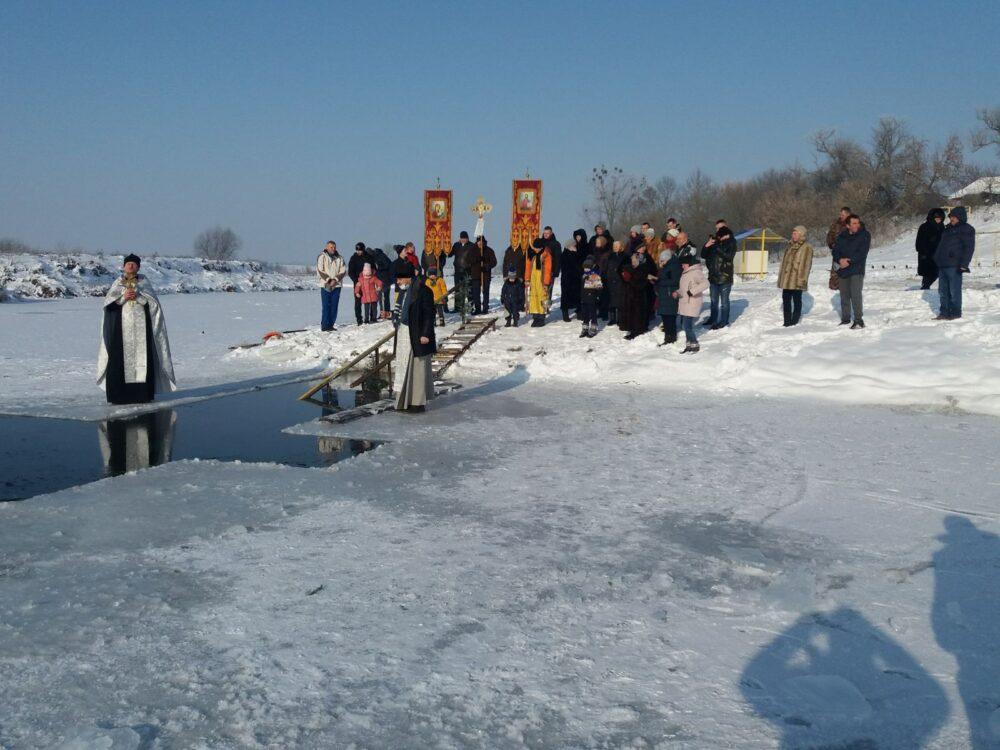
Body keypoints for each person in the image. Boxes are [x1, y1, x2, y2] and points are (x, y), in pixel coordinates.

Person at [97, 254, 177, 404]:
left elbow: (154, 305)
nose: (131, 266)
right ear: (124, 266)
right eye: (128, 264)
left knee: (143, 360)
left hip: (142, 330)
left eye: (134, 264)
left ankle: (141, 395)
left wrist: (139, 296)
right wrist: (123, 297)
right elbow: (109, 306)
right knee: (119, 360)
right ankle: (119, 396)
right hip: (121, 330)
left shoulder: (144, 283)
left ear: (138, 267)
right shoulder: (118, 283)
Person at [392, 263, 436, 414]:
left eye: (400, 279)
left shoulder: (424, 291)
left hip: (418, 335)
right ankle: (404, 401)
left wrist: (425, 334)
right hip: (404, 335)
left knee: (417, 369)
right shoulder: (403, 293)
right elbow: (401, 313)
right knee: (404, 368)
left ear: (408, 278)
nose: (397, 282)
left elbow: (429, 315)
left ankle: (417, 403)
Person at [934, 206, 975, 320]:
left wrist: (964, 264)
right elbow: (941, 245)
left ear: (960, 217)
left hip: (955, 265)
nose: (951, 218)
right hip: (943, 264)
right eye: (951, 216)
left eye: (954, 217)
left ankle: (955, 313)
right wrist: (936, 257)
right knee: (943, 291)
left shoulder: (966, 229)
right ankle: (944, 312)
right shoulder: (947, 229)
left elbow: (969, 248)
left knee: (954, 291)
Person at [833, 213, 870, 329]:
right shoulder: (842, 236)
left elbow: (862, 253)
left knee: (855, 295)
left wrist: (848, 261)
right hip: (843, 270)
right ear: (848, 226)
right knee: (844, 295)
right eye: (854, 223)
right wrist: (839, 260)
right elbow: (835, 251)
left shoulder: (864, 235)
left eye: (858, 222)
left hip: (856, 269)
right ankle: (845, 319)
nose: (857, 225)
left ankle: (858, 320)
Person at [777, 225, 814, 327]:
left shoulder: (806, 247)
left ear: (801, 234)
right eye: (792, 233)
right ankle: (787, 322)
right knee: (786, 299)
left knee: (797, 300)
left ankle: (794, 322)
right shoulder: (789, 246)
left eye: (795, 233)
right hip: (787, 279)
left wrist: (802, 279)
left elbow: (806, 266)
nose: (792, 235)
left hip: (797, 279)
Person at [702, 226, 737, 329]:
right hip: (713, 277)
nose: (718, 238)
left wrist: (717, 247)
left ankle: (723, 321)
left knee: (724, 302)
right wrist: (707, 245)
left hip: (724, 277)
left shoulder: (732, 242)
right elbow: (703, 255)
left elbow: (728, 257)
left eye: (720, 236)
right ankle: (713, 319)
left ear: (725, 235)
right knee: (713, 301)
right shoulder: (716, 243)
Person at [620, 245, 655, 340]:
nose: (633, 261)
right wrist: (625, 277)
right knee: (632, 313)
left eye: (635, 260)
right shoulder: (629, 268)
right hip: (630, 294)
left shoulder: (642, 269)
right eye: (632, 260)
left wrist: (630, 279)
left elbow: (641, 283)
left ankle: (636, 330)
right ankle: (633, 329)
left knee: (637, 313)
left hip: (638, 295)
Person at [677, 255, 708, 353]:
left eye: (684, 264)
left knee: (687, 326)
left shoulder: (696, 272)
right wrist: (677, 292)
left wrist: (692, 292)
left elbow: (706, 283)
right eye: (682, 264)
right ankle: (689, 345)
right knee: (686, 326)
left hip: (692, 303)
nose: (682, 266)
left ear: (689, 264)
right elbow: (684, 289)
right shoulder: (685, 273)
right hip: (684, 303)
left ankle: (694, 344)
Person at [316, 240, 346, 331]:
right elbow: (320, 270)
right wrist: (329, 280)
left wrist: (335, 280)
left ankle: (331, 325)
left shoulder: (340, 258)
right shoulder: (322, 257)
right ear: (327, 247)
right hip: (325, 285)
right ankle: (325, 326)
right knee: (326, 306)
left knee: (334, 306)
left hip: (337, 285)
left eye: (334, 247)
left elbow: (343, 271)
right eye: (331, 247)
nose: (333, 249)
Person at [655, 247, 682, 345]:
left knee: (670, 318)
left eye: (662, 260)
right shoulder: (666, 266)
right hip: (664, 295)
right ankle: (667, 337)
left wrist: (660, 282)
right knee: (665, 317)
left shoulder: (674, 266)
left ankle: (671, 338)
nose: (661, 262)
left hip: (670, 295)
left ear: (667, 259)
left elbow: (675, 281)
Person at [525, 237, 553, 327]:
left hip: (542, 280)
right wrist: (527, 279)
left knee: (542, 298)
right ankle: (535, 317)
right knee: (533, 298)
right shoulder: (531, 254)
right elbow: (528, 268)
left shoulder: (546, 255)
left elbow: (548, 270)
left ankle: (541, 318)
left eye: (538, 248)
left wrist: (546, 283)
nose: (536, 249)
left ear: (541, 247)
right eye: (535, 248)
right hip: (533, 279)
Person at [561, 229, 587, 322]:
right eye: (573, 245)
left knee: (578, 296)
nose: (574, 246)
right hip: (567, 278)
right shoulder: (565, 254)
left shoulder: (577, 252)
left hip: (576, 278)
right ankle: (565, 315)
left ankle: (579, 313)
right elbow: (568, 265)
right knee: (566, 296)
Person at [915, 208, 945, 290]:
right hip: (926, 255)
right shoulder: (924, 227)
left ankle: (925, 286)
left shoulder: (942, 227)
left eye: (940, 219)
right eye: (936, 218)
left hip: (938, 255)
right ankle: (925, 287)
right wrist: (925, 251)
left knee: (937, 273)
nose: (938, 220)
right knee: (928, 273)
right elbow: (919, 242)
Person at [451, 231, 475, 319]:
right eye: (462, 238)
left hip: (467, 271)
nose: (463, 240)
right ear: (460, 238)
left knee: (469, 290)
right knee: (457, 289)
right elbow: (450, 254)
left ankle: (470, 307)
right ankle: (457, 307)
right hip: (457, 271)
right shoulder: (456, 245)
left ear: (467, 238)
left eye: (465, 238)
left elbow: (475, 257)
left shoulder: (472, 246)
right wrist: (445, 248)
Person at [347, 242, 372, 325]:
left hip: (368, 282)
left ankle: (370, 317)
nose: (358, 252)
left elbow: (373, 269)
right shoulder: (353, 258)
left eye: (360, 250)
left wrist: (372, 279)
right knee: (358, 301)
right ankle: (359, 319)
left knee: (370, 300)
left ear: (363, 249)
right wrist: (356, 281)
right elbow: (350, 272)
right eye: (357, 250)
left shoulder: (368, 257)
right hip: (358, 283)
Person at [606, 240, 627, 327]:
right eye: (614, 245)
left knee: (620, 301)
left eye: (617, 245)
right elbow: (606, 267)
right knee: (611, 300)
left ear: (621, 246)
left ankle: (620, 319)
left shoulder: (625, 256)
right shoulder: (610, 256)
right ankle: (612, 318)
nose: (615, 247)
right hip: (610, 280)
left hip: (620, 280)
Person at [579, 257, 602, 338]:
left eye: (588, 268)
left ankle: (593, 327)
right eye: (584, 268)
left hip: (592, 298)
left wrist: (597, 296)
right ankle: (585, 328)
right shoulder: (583, 275)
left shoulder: (595, 275)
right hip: (584, 297)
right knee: (585, 313)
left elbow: (599, 287)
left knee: (593, 313)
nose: (586, 269)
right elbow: (582, 287)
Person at [369, 245, 393, 318]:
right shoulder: (377, 256)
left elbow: (388, 265)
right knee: (383, 297)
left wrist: (378, 269)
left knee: (383, 297)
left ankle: (384, 314)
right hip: (384, 279)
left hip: (384, 279)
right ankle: (385, 313)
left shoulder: (380, 256)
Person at [474, 235, 496, 314]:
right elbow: (469, 260)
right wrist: (477, 259)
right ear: (477, 242)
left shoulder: (489, 250)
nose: (480, 243)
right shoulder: (473, 250)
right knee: (476, 293)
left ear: (484, 242)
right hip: (476, 275)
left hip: (486, 275)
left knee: (485, 292)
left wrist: (486, 266)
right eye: (478, 241)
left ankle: (485, 308)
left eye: (481, 242)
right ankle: (477, 309)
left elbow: (494, 262)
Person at [826, 206, 851, 272]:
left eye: (843, 215)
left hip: (850, 256)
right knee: (835, 275)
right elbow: (829, 236)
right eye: (840, 214)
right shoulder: (836, 224)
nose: (841, 216)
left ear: (848, 215)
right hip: (837, 255)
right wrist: (832, 245)